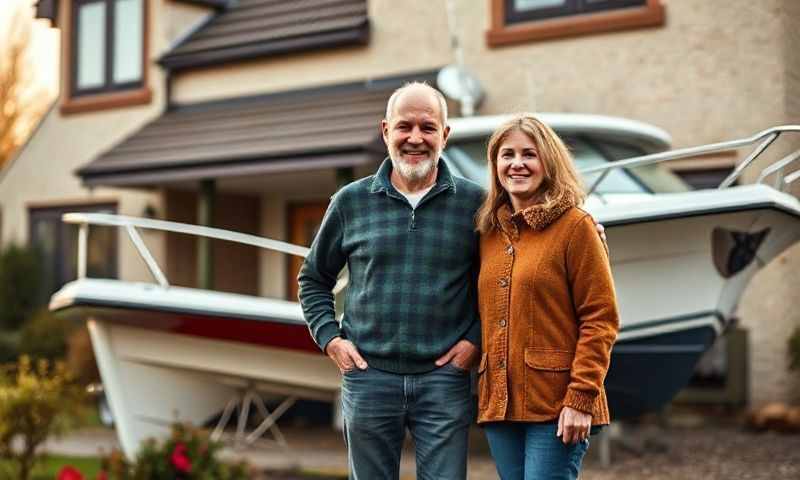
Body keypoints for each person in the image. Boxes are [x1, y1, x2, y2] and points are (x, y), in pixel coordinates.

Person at [298, 82, 482, 479]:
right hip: (368, 377)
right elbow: (313, 278)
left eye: (428, 127)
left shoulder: (477, 205)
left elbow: (504, 283)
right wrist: (331, 340)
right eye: (404, 127)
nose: (415, 138)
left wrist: (475, 341)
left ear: (444, 135)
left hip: (444, 380)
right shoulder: (350, 201)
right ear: (386, 131)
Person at [475, 114, 619, 480]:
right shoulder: (489, 233)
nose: (517, 164)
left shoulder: (576, 226)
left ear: (549, 162)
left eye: (529, 154)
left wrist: (581, 399)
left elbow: (601, 319)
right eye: (507, 154)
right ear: (495, 166)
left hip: (558, 404)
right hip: (500, 405)